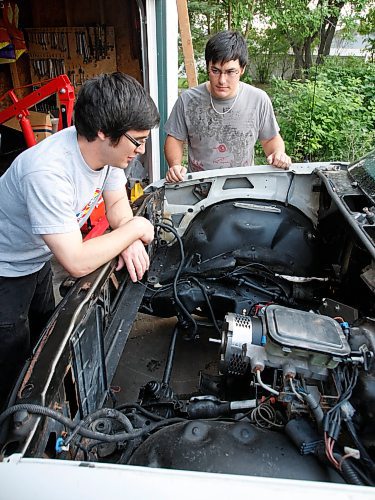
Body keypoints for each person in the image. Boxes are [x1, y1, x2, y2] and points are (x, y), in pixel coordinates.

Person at [0, 72, 160, 407]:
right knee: (12, 358)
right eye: (137, 140)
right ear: (104, 132)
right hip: (5, 268)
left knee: (47, 333)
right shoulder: (47, 172)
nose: (141, 150)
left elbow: (116, 203)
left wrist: (126, 236)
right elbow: (75, 260)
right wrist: (135, 230)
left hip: (37, 257)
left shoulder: (108, 155)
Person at [164, 30, 291, 183]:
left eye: (230, 72)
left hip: (243, 186)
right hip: (200, 186)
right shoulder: (188, 100)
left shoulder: (258, 99)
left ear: (242, 69)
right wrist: (175, 165)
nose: (222, 80)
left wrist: (278, 153)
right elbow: (174, 139)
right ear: (207, 67)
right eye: (215, 71)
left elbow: (270, 139)